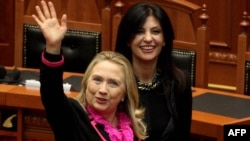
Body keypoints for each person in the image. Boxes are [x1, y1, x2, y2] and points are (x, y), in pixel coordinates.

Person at [32, 1, 147, 141]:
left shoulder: (130, 127)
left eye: (113, 83)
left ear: (124, 93)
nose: (103, 90)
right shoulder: (72, 117)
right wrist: (53, 46)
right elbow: (51, 93)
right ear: (86, 84)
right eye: (97, 80)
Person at [115, 2, 192, 141]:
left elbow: (183, 136)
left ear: (164, 40)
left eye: (156, 31)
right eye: (139, 31)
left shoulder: (179, 82)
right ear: (127, 40)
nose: (148, 39)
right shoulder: (114, 81)